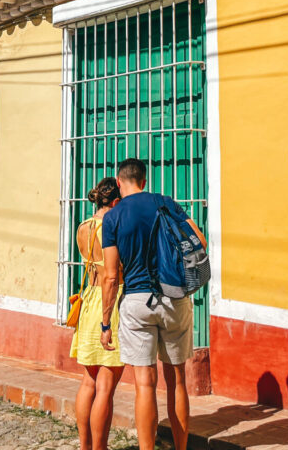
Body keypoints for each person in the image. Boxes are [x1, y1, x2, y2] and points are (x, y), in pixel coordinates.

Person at [99, 158, 207, 450]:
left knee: (144, 384)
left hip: (136, 301)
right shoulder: (165, 203)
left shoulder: (113, 217)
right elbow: (200, 241)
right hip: (174, 298)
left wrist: (106, 322)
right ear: (144, 181)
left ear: (119, 183)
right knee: (178, 381)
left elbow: (110, 277)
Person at [70, 177, 125, 450]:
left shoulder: (83, 227)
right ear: (115, 201)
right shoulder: (112, 228)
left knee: (88, 380)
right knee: (106, 385)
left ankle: (84, 446)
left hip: (89, 300)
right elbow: (112, 276)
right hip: (108, 304)